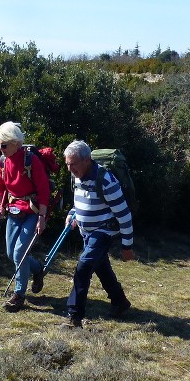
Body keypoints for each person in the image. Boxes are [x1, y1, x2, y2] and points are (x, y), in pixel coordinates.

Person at [62, 140, 134, 328]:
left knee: (83, 268)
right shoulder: (77, 175)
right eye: (67, 164)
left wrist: (127, 245)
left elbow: (124, 214)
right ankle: (120, 303)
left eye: (73, 164)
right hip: (86, 231)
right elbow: (78, 202)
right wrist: (72, 214)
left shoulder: (106, 181)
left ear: (87, 160)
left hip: (103, 232)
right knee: (101, 267)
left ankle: (74, 316)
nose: (70, 168)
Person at [0, 121, 50, 311]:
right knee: (12, 253)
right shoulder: (2, 162)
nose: (1, 149)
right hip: (13, 210)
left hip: (32, 212)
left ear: (16, 143)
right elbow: (0, 187)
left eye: (4, 145)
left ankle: (19, 295)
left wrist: (42, 217)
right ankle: (38, 269)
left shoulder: (30, 161)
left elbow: (43, 189)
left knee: (20, 253)